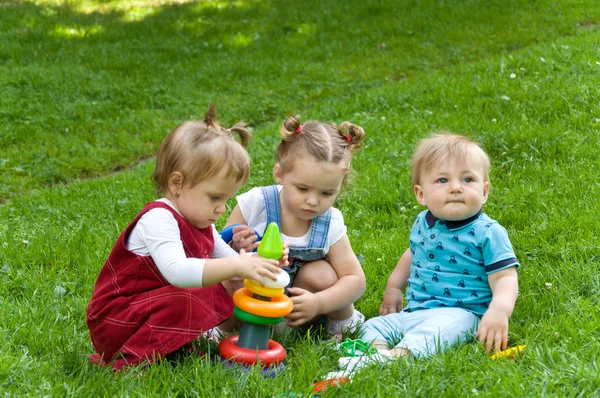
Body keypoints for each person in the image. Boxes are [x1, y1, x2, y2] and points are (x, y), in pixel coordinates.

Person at [86, 105, 286, 370]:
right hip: (115, 319)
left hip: (147, 311)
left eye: (226, 199)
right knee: (190, 294)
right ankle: (128, 363)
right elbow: (178, 272)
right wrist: (239, 265)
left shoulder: (201, 222)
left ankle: (172, 352)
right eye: (215, 197)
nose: (222, 208)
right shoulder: (159, 218)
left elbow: (233, 265)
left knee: (204, 290)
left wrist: (260, 261)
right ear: (177, 183)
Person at [337, 132, 519, 374]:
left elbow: (505, 277)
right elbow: (413, 253)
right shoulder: (423, 222)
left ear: (484, 191)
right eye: (442, 180)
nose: (455, 188)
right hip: (415, 311)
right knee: (372, 326)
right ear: (420, 194)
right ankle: (375, 353)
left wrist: (499, 310)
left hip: (463, 314)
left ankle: (397, 357)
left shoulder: (488, 232)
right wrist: (393, 287)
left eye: (467, 179)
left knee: (439, 331)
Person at [224, 115, 367, 338]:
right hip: (254, 295)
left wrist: (318, 303)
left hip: (302, 305)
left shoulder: (330, 222)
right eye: (303, 189)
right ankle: (224, 328)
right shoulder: (256, 204)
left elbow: (355, 280)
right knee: (231, 275)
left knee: (322, 274)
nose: (313, 201)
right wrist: (236, 245)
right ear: (280, 174)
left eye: (327, 193)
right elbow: (215, 252)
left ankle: (339, 323)